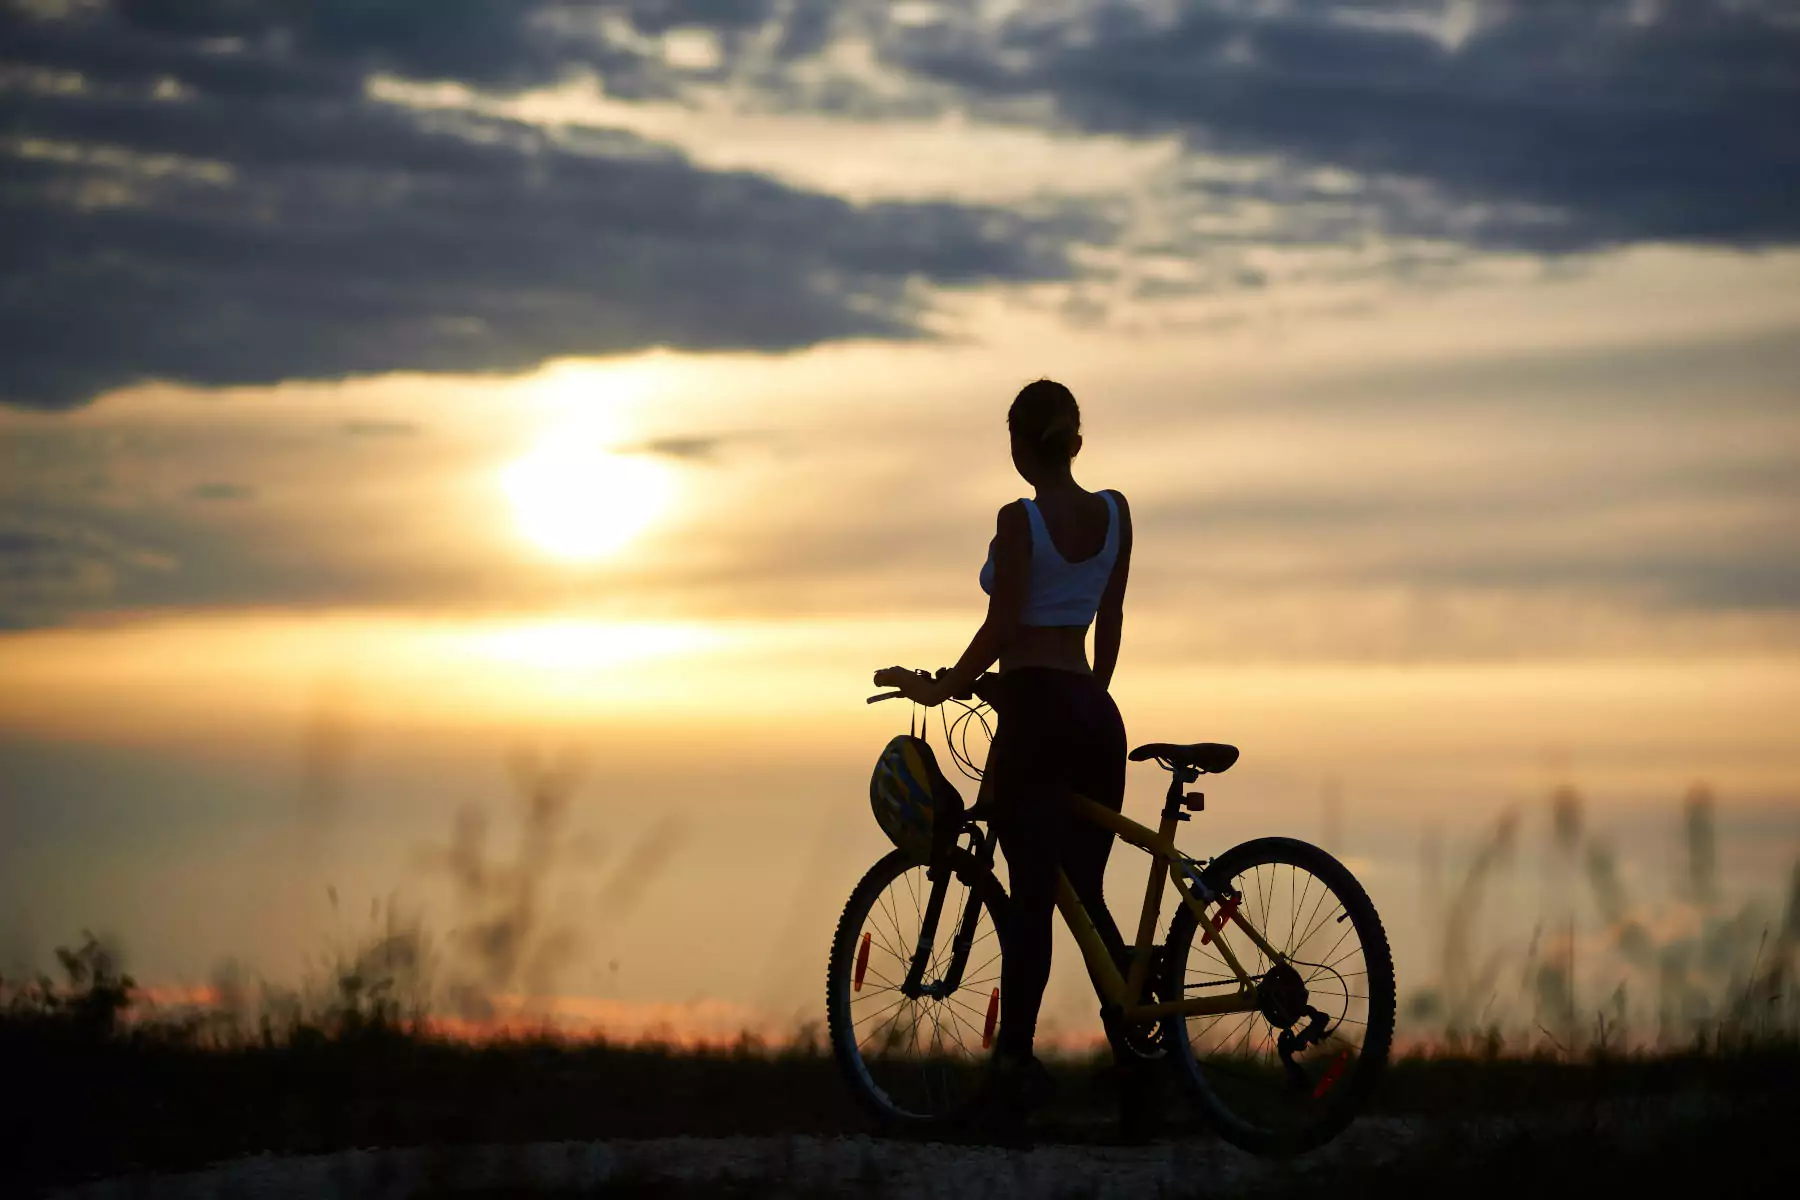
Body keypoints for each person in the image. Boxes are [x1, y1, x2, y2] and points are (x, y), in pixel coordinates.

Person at [873, 378, 1148, 1132]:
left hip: (1034, 709)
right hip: (1096, 712)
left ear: (1020, 446)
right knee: (1085, 896)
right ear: (1077, 442)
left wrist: (945, 687)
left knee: (1030, 898)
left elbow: (1002, 625)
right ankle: (1142, 1070)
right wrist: (1089, 695)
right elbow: (1111, 620)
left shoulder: (1018, 518)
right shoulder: (1117, 512)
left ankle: (1012, 1074)